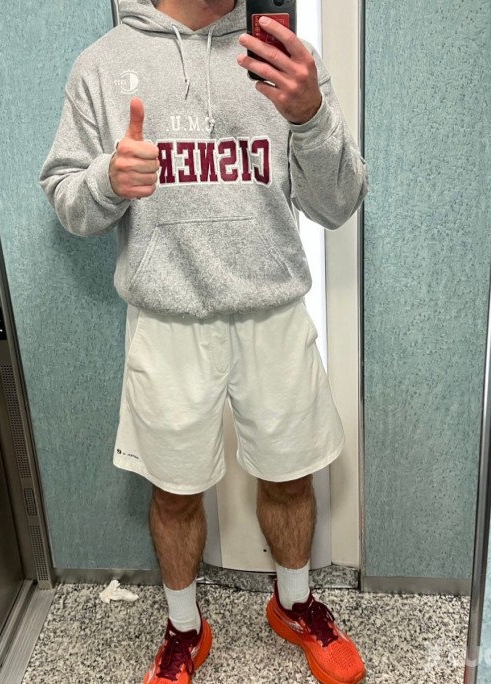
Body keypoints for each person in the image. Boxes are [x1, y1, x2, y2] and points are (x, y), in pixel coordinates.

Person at [40, 0, 369, 682]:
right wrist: (107, 181)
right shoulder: (103, 64)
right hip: (167, 318)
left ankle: (295, 604)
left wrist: (309, 115)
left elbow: (339, 204)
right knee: (175, 489)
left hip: (272, 310)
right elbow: (66, 197)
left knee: (290, 473)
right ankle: (184, 628)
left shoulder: (286, 56)